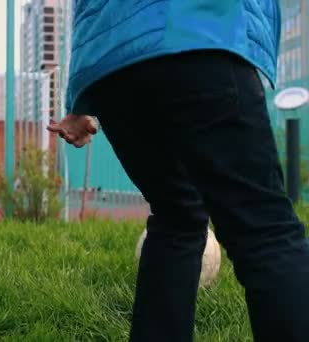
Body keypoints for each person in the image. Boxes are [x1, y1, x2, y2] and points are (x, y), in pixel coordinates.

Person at [48, 2, 309, 341]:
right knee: (266, 231)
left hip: (113, 66)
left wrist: (77, 101)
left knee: (176, 217)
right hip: (201, 29)